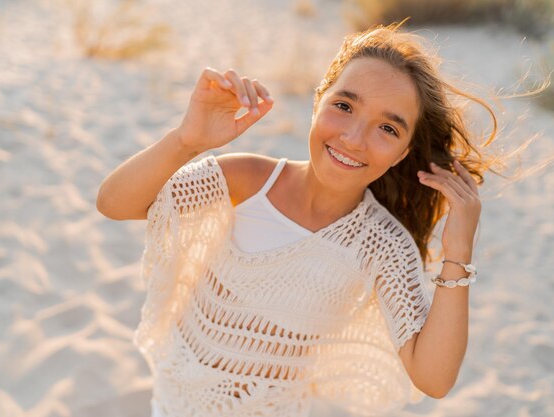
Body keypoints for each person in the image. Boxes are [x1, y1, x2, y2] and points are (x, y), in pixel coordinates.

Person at [97, 21, 490, 417]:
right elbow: (115, 204)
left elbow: (434, 379)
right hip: (174, 401)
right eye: (344, 106)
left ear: (402, 154)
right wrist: (187, 140)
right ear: (318, 100)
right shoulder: (246, 182)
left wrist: (458, 250)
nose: (353, 137)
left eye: (387, 128)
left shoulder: (381, 245)